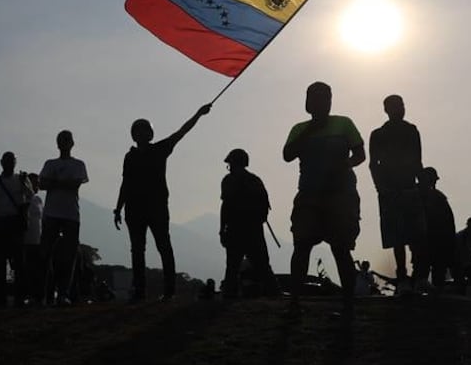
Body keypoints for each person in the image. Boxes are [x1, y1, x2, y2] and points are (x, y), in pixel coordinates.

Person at [282, 81, 366, 317]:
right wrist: (310, 130)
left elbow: (360, 153)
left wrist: (345, 164)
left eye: (324, 98)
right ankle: (295, 301)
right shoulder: (299, 129)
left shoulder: (344, 123)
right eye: (314, 98)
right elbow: (287, 155)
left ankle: (348, 303)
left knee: (340, 249)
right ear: (307, 103)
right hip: (309, 195)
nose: (319, 102)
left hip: (340, 195)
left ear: (330, 101)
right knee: (301, 246)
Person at [114, 104, 212, 302]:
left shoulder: (160, 149)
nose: (142, 134)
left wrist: (198, 114)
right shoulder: (130, 157)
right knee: (138, 249)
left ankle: (169, 291)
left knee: (163, 246)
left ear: (150, 134)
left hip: (156, 207)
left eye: (145, 131)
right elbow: (126, 182)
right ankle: (140, 291)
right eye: (138, 131)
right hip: (134, 209)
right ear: (134, 136)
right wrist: (118, 207)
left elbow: (182, 131)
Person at [368, 95, 424, 282]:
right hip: (389, 190)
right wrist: (381, 188)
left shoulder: (411, 130)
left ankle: (418, 274)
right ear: (387, 110)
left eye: (402, 105)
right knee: (396, 237)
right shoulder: (378, 134)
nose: (401, 109)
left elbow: (417, 161)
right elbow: (373, 164)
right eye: (396, 106)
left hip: (410, 187)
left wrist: (421, 186)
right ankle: (402, 274)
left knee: (416, 234)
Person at [40, 130, 89, 305]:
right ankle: (45, 294)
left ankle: (63, 293)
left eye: (67, 140)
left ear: (72, 143)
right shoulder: (50, 163)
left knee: (68, 256)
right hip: (53, 214)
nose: (64, 143)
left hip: (69, 214)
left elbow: (74, 184)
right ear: (58, 143)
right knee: (45, 254)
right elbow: (42, 184)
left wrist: (54, 182)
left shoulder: (78, 164)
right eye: (61, 140)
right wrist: (63, 183)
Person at [0, 152, 33, 308]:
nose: (9, 163)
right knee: (2, 262)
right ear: (2, 163)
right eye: (7, 161)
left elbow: (31, 195)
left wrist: (25, 184)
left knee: (16, 262)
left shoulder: (19, 179)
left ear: (14, 162)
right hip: (4, 223)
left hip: (11, 223)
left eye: (11, 161)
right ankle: (6, 298)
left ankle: (17, 298)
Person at [218, 148, 273, 299]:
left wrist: (222, 229)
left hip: (235, 229)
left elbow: (226, 206)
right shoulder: (255, 180)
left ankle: (229, 295)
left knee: (232, 266)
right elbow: (265, 207)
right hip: (254, 229)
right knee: (262, 265)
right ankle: (274, 294)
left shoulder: (228, 181)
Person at [22, 173, 45, 306]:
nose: (38, 185)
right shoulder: (23, 199)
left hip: (38, 240)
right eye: (35, 183)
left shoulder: (39, 200)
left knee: (37, 270)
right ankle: (28, 295)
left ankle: (38, 296)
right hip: (26, 240)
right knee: (27, 270)